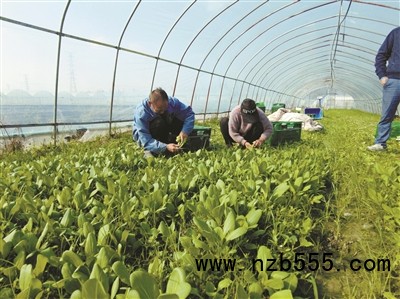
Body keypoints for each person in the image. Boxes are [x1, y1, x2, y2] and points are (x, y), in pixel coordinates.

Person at [133, 87, 195, 158]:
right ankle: (151, 149)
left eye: (165, 108)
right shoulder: (141, 113)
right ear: (150, 104)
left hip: (163, 127)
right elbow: (145, 139)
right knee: (158, 122)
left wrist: (185, 131)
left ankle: (171, 142)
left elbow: (189, 113)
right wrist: (165, 147)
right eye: (159, 110)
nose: (162, 112)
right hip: (145, 136)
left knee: (177, 118)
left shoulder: (172, 102)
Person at [367, 27, 400, 151]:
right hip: (394, 80)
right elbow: (381, 55)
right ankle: (380, 144)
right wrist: (382, 75)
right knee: (387, 115)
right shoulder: (396, 33)